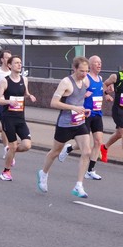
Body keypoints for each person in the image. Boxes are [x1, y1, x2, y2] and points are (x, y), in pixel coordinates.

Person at [38, 56, 94, 198]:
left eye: (87, 71)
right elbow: (53, 103)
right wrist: (73, 107)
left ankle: (79, 186)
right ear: (74, 68)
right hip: (65, 123)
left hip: (79, 122)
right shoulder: (66, 82)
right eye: (81, 71)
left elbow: (80, 99)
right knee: (55, 152)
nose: (84, 74)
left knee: (87, 151)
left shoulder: (86, 81)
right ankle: (43, 173)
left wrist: (83, 109)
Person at [0, 55, 36, 181]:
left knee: (27, 145)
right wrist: (8, 102)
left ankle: (10, 152)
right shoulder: (5, 81)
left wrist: (30, 96)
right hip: (9, 118)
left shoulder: (24, 79)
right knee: (12, 145)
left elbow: (25, 93)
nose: (19, 65)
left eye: (20, 63)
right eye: (16, 63)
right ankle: (5, 171)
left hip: (20, 118)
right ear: (9, 65)